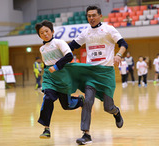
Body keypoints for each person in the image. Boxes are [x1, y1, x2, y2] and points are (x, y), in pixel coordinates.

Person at [68, 5, 128, 145]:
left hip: (106, 74)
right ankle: (86, 134)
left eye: (94, 15)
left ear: (100, 16)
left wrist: (119, 54)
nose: (91, 18)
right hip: (91, 74)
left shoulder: (109, 29)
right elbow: (71, 46)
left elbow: (123, 44)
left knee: (108, 107)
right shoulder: (86, 32)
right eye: (89, 16)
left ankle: (116, 112)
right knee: (87, 101)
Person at [35, 20, 84, 139]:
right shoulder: (42, 49)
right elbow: (46, 65)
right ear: (39, 35)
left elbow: (69, 56)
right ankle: (46, 129)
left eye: (47, 31)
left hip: (63, 78)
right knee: (47, 98)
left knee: (66, 105)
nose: (45, 34)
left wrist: (56, 66)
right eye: (42, 33)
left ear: (52, 31)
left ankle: (80, 101)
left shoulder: (59, 42)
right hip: (50, 79)